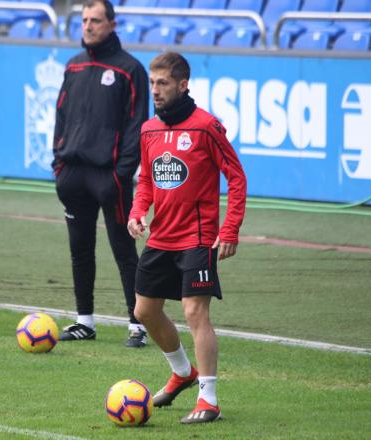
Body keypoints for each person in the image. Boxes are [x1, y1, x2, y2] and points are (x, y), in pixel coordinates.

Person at [128, 52, 247, 423]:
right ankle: (182, 371)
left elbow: (237, 177)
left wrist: (230, 229)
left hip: (198, 238)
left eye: (163, 83)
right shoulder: (149, 130)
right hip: (161, 237)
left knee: (195, 311)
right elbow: (146, 179)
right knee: (144, 311)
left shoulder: (206, 127)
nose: (156, 91)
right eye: (152, 83)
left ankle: (208, 399)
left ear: (183, 85)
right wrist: (137, 211)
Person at [52, 0, 149, 347]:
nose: (88, 26)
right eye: (84, 20)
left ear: (111, 24)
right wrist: (58, 165)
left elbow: (137, 126)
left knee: (124, 251)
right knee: (80, 250)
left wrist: (120, 175)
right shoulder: (74, 66)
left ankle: (138, 324)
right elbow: (61, 118)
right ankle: (84, 321)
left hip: (109, 178)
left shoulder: (129, 69)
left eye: (96, 20)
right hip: (73, 175)